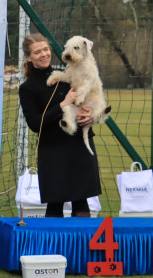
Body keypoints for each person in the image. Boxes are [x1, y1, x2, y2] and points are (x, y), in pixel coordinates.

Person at [18, 33, 100, 217]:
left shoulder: (67, 73)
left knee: (81, 202)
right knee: (55, 205)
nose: (44, 54)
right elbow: (34, 124)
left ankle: (83, 245)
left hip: (79, 145)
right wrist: (62, 104)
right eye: (37, 52)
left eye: (46, 49)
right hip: (53, 150)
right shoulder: (28, 88)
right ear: (29, 57)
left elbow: (90, 97)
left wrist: (92, 116)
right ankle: (53, 246)